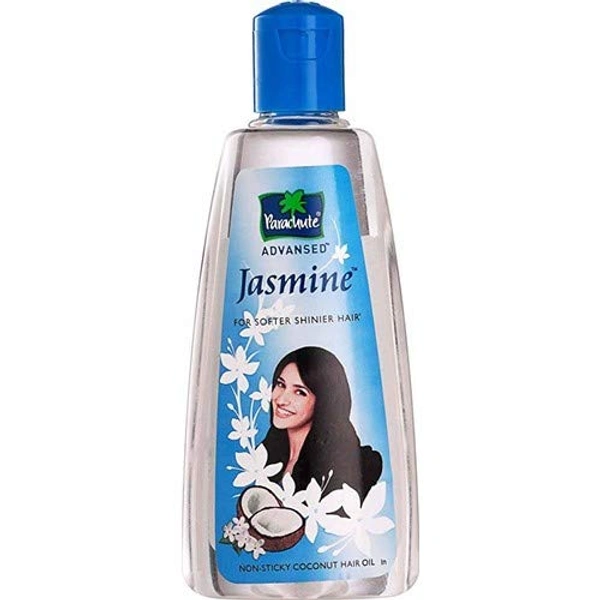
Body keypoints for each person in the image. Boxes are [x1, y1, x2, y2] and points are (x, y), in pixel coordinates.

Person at [262, 346, 382, 501]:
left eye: (300, 392)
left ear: (324, 401)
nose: (281, 400)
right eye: (281, 384)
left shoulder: (356, 464)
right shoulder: (265, 454)